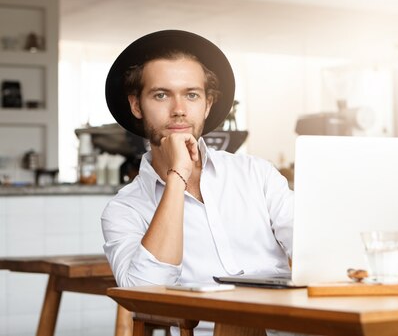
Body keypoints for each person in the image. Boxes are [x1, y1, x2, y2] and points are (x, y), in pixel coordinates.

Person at [101, 30, 293, 336]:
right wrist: (178, 174)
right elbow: (143, 296)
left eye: (191, 94)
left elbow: (315, 246)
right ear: (136, 105)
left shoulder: (258, 174)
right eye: (161, 94)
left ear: (207, 103)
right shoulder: (124, 209)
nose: (179, 109)